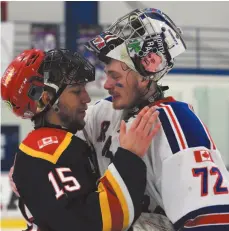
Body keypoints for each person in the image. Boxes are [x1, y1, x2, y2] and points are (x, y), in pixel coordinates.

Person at [81, 8, 229, 230]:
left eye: (115, 76)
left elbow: (211, 221)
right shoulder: (102, 114)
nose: (106, 85)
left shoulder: (179, 124)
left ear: (143, 76)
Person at [1, 48, 161, 231]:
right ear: (46, 99)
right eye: (77, 91)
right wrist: (130, 157)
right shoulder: (51, 153)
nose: (86, 98)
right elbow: (93, 223)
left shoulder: (48, 146)